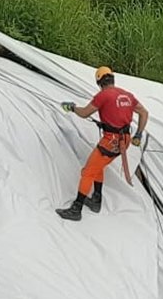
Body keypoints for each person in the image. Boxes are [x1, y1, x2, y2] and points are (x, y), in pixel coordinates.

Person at [56, 66, 148, 221]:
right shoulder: (127, 95)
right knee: (98, 166)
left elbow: (84, 113)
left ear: (99, 82)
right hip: (124, 141)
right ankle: (96, 201)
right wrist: (138, 134)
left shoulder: (103, 96)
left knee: (88, 172)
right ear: (112, 79)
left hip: (111, 141)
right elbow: (144, 113)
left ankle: (76, 209)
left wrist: (72, 108)